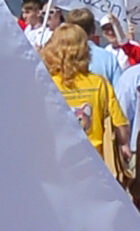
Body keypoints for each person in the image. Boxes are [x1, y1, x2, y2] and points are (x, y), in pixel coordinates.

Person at [36, 16, 129, 182]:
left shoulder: (45, 85)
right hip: (97, 167)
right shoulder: (99, 83)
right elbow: (122, 132)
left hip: (56, 168)